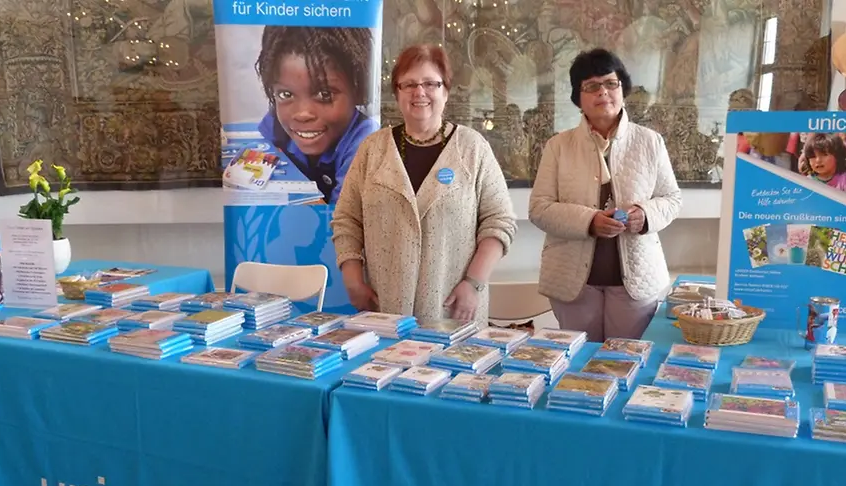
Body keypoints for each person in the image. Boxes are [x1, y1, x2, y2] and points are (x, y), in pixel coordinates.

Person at [331, 44, 517, 324]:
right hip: (387, 309)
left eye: (431, 83)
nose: (420, 92)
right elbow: (347, 219)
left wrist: (474, 283)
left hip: (453, 309)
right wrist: (353, 282)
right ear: (397, 92)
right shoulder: (373, 149)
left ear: (446, 91)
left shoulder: (472, 148)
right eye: (409, 84)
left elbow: (499, 221)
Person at [529, 48, 681, 342]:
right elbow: (539, 208)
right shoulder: (558, 146)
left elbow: (672, 198)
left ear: (623, 88)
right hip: (573, 284)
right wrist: (590, 221)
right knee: (579, 370)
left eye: (611, 83)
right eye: (591, 86)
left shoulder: (650, 142)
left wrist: (645, 215)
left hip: (635, 282)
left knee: (626, 364)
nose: (603, 93)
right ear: (578, 97)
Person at [254, 26, 379, 204]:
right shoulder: (276, 122)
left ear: (358, 91)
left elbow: (340, 220)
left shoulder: (365, 141)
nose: (303, 114)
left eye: (325, 95)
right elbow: (255, 156)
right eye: (286, 95)